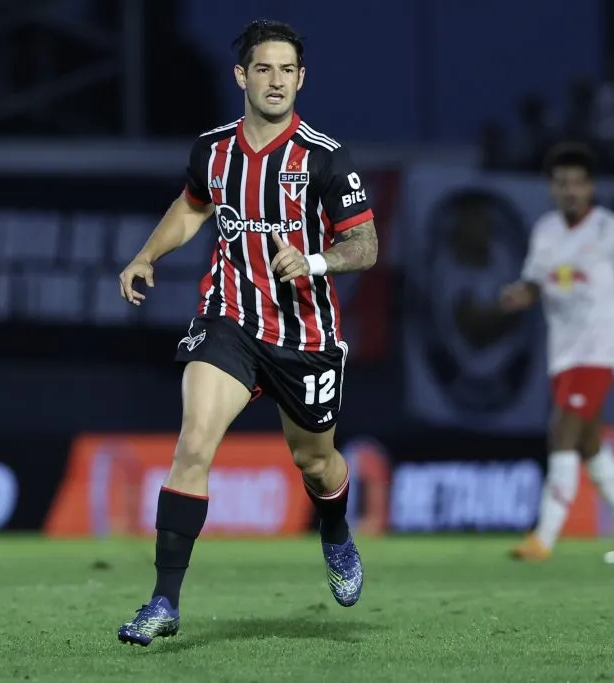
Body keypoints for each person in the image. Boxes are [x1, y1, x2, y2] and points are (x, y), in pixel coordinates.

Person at [115, 19, 378, 646]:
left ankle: (335, 533)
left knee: (314, 461)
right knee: (193, 444)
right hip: (228, 318)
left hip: (305, 335)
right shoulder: (214, 149)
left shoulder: (324, 156)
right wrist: (146, 255)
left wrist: (314, 260)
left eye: (287, 70)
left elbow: (364, 244)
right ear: (242, 76)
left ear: (302, 78)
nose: (277, 80)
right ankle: (162, 601)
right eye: (264, 68)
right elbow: (192, 206)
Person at [500, 142, 614, 561]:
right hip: (562, 352)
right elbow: (534, 283)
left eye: (579, 183)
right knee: (590, 443)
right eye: (562, 183)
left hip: (599, 350)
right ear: (551, 188)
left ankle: (543, 539)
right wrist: (519, 295)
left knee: (561, 431)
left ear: (591, 187)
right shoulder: (545, 232)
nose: (571, 191)